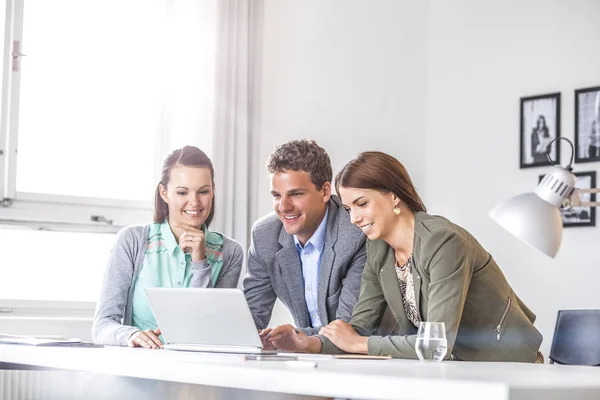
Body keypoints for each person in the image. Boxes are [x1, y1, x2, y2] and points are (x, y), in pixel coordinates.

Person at [266, 151, 543, 362]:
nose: (354, 219)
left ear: (394, 197)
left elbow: (436, 344)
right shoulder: (378, 248)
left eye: (362, 204)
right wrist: (308, 343)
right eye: (349, 209)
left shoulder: (442, 241)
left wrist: (360, 344)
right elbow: (360, 326)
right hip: (453, 370)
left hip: (507, 365)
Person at [92, 146, 243, 348]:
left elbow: (208, 332)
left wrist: (200, 263)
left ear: (213, 190)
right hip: (139, 372)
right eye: (182, 192)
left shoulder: (230, 252)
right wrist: (131, 335)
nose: (194, 202)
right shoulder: (132, 241)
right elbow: (102, 326)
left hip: (198, 373)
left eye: (204, 191)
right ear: (164, 192)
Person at [243, 139, 366, 341]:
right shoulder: (265, 235)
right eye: (276, 196)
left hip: (362, 359)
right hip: (306, 361)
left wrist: (294, 336)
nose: (283, 207)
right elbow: (249, 319)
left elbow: (349, 328)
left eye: (296, 194)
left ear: (325, 192)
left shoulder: (355, 232)